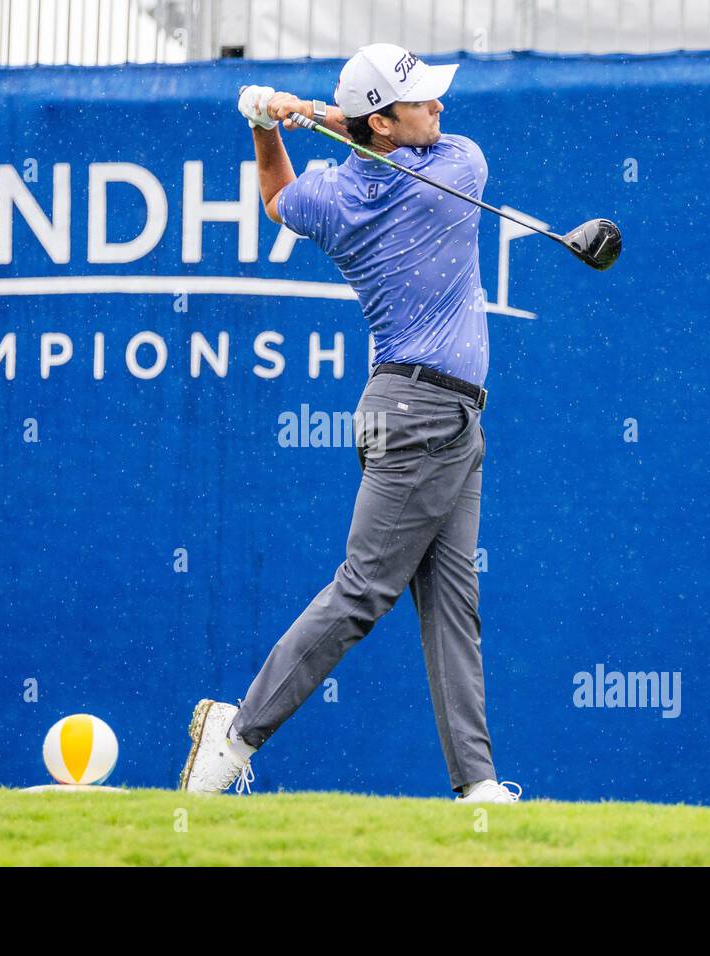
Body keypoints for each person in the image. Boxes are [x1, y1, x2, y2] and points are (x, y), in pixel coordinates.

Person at [177, 43, 520, 805]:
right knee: (364, 590)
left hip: (444, 417)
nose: (439, 107)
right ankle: (235, 734)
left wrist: (268, 127)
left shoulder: (333, 196)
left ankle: (478, 785)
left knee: (453, 603)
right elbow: (417, 145)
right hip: (422, 415)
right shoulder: (455, 174)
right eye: (421, 101)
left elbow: (276, 199)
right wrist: (319, 114)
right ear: (386, 125)